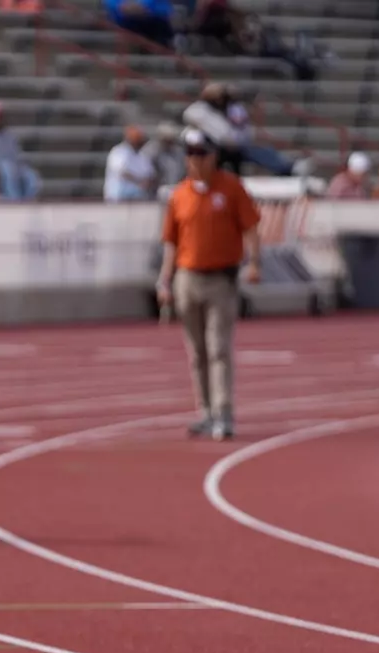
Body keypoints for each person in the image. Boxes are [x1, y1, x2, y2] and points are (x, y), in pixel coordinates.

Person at [156, 128, 261, 443]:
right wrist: (165, 279)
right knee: (196, 351)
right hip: (187, 277)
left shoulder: (231, 188)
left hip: (220, 279)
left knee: (218, 348)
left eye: (201, 154)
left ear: (213, 157)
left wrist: (255, 263)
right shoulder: (179, 195)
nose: (195, 161)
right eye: (190, 155)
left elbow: (250, 228)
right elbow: (171, 242)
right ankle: (205, 411)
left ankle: (223, 411)